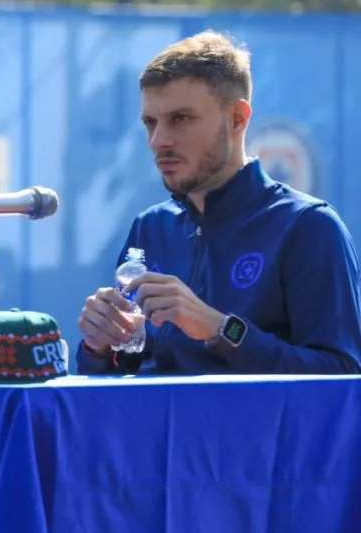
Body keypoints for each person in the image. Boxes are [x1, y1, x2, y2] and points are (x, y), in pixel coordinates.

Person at [76, 31, 361, 374]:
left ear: (238, 119)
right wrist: (99, 346)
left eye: (180, 119)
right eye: (150, 122)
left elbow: (342, 376)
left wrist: (220, 329)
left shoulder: (308, 226)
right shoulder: (150, 228)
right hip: (159, 430)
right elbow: (125, 374)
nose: (159, 140)